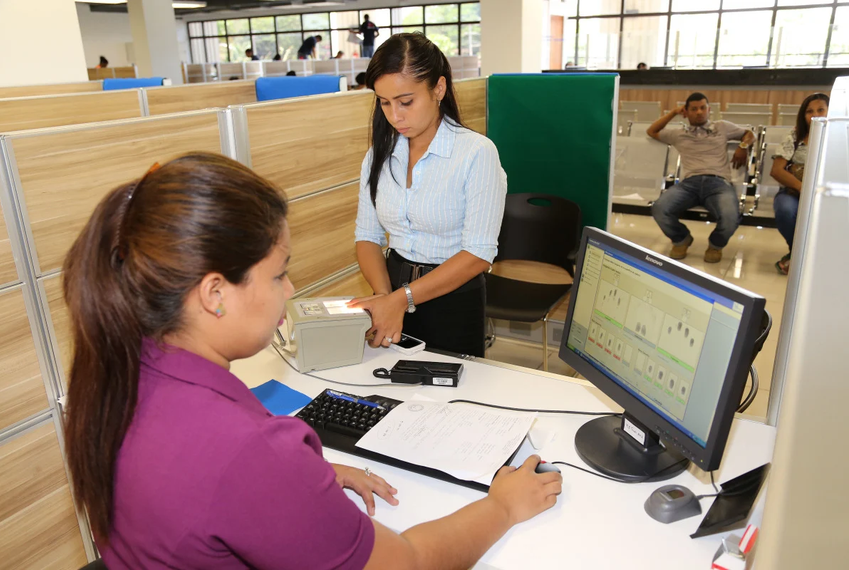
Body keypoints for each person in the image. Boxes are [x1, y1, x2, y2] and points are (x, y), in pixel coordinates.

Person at [62, 152, 561, 569]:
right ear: (215, 293)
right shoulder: (246, 453)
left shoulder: (118, 374)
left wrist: (306, 478)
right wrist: (501, 506)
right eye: (279, 275)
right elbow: (405, 562)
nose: (291, 290)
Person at [351, 33, 507, 357]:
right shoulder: (378, 155)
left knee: (450, 399)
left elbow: (478, 253)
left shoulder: (476, 153)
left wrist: (401, 299)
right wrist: (384, 296)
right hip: (391, 286)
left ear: (438, 89)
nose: (395, 116)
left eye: (406, 101)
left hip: (451, 297)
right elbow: (367, 237)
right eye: (384, 102)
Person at [647, 92, 756, 263]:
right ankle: (681, 239)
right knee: (660, 208)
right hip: (689, 184)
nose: (699, 112)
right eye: (694, 109)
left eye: (703, 108)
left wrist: (743, 146)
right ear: (687, 112)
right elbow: (652, 131)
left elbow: (750, 134)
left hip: (718, 183)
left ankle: (715, 245)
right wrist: (674, 112)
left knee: (731, 216)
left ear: (708, 109)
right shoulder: (678, 134)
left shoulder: (721, 127)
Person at [770, 93, 829, 275]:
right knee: (785, 210)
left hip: (828, 193)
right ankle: (798, 253)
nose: (815, 115)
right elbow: (777, 170)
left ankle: (811, 256)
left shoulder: (841, 137)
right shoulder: (795, 136)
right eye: (809, 111)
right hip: (795, 191)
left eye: (821, 110)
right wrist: (804, 188)